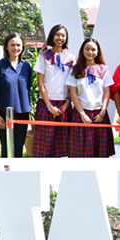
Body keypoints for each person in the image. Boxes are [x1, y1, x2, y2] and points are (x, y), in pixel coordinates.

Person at [66, 38, 114, 157]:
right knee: (79, 153)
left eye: (93, 49)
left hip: (100, 114)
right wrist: (82, 114)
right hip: (80, 114)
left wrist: (103, 112)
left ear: (98, 52)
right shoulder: (75, 69)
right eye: (87, 49)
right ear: (82, 50)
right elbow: (73, 93)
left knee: (101, 154)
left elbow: (107, 92)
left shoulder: (104, 69)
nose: (90, 52)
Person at [32, 25, 75, 158]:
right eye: (57, 35)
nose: (60, 38)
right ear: (52, 36)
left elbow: (72, 84)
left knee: (63, 146)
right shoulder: (43, 55)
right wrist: (49, 106)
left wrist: (67, 104)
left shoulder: (70, 58)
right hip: (46, 105)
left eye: (63, 35)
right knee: (45, 147)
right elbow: (40, 83)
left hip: (64, 105)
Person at [0, 33, 32, 157]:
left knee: (19, 146)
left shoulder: (26, 66)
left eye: (18, 45)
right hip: (4, 114)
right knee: (6, 147)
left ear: (22, 47)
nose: (16, 48)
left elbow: (27, 88)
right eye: (12, 45)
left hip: (23, 112)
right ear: (6, 47)